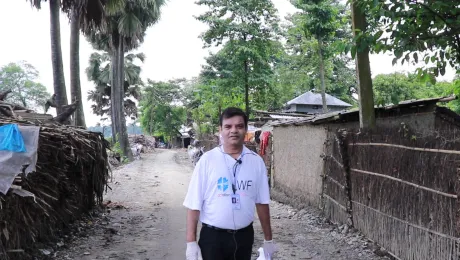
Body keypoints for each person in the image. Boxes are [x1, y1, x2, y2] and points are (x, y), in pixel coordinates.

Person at [183, 107, 276, 260]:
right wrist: (191, 243)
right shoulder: (207, 161)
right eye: (228, 126)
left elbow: (262, 203)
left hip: (244, 238)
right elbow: (194, 203)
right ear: (220, 129)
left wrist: (268, 240)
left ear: (245, 129)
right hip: (213, 239)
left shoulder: (256, 162)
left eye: (239, 126)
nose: (234, 130)